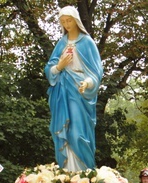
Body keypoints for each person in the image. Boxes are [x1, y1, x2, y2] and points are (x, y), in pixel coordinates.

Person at [45, 6, 103, 171]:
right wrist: (59, 66)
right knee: (64, 131)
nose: (66, 24)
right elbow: (50, 69)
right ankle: (67, 172)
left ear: (76, 20)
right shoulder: (61, 43)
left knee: (78, 133)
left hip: (79, 92)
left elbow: (96, 72)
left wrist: (87, 83)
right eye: (63, 22)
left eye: (69, 20)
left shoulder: (87, 42)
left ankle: (84, 172)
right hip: (63, 91)